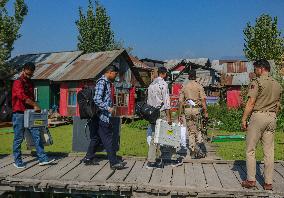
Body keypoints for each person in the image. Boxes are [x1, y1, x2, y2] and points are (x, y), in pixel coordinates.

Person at [241, 60, 282, 191]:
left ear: (261, 68)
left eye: (255, 68)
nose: (254, 71)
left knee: (250, 149)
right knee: (269, 151)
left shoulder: (256, 82)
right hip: (272, 117)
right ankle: (268, 183)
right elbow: (278, 106)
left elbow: (251, 102)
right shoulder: (277, 84)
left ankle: (251, 180)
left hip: (258, 116)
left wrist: (244, 119)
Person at [81, 65, 126, 170]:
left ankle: (88, 158)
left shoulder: (106, 83)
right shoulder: (102, 82)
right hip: (102, 116)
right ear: (110, 72)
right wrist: (108, 108)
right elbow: (97, 99)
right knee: (108, 139)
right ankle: (113, 163)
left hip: (98, 115)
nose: (116, 76)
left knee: (96, 138)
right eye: (115, 74)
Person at [12, 62, 54, 169]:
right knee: (18, 138)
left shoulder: (31, 83)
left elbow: (32, 97)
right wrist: (35, 104)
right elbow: (22, 96)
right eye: (27, 74)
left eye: (31, 74)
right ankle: (17, 161)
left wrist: (35, 108)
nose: (29, 76)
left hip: (30, 113)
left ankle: (42, 159)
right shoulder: (17, 82)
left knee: (36, 134)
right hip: (19, 114)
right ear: (23, 70)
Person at [146, 67, 182, 169]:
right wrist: (169, 117)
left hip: (152, 113)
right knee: (169, 134)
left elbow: (149, 101)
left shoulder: (151, 84)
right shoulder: (164, 85)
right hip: (161, 113)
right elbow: (166, 103)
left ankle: (151, 161)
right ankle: (174, 158)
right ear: (165, 74)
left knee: (154, 136)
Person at [178, 70, 208, 159]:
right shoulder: (199, 86)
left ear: (188, 76)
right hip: (196, 110)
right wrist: (206, 112)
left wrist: (180, 115)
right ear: (195, 77)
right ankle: (198, 149)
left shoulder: (184, 86)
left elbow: (180, 102)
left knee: (191, 131)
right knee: (198, 129)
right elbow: (203, 100)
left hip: (187, 109)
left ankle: (192, 150)